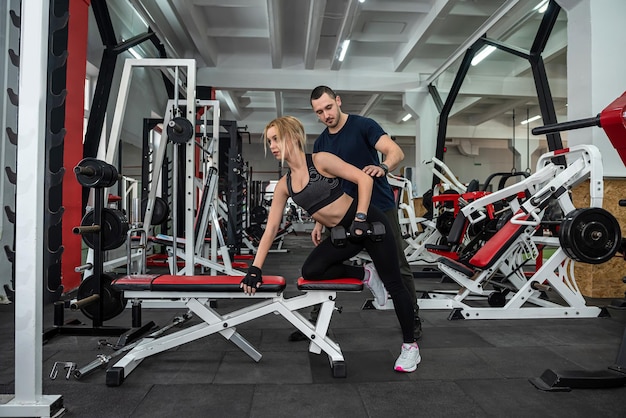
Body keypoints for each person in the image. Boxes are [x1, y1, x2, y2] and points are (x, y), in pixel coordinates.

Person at [240, 116, 421, 373]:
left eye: (276, 138)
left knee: (395, 282)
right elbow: (270, 229)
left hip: (367, 222)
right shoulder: (285, 185)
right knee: (312, 270)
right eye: (269, 141)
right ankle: (367, 275)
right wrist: (255, 268)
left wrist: (360, 217)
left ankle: (410, 347)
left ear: (292, 137)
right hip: (343, 233)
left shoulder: (320, 160)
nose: (272, 146)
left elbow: (364, 180)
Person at [308, 85, 422, 337]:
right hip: (341, 213)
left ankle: (412, 317)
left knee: (398, 266)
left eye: (328, 107)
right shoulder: (320, 143)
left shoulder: (363, 125)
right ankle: (316, 323)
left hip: (379, 206)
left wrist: (383, 166)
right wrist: (318, 222)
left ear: (338, 101)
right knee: (322, 265)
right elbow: (322, 186)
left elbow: (395, 151)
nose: (326, 115)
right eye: (319, 112)